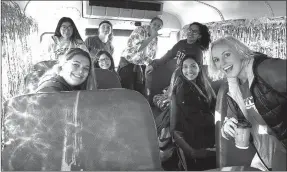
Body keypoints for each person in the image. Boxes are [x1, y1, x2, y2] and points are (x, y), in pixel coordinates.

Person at [209, 35, 287, 171]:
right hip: (264, 156)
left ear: (239, 51)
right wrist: (226, 128)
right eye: (216, 60)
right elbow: (233, 122)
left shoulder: (265, 69)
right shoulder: (233, 89)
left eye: (226, 54)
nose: (222, 63)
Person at [169, 55, 217, 170]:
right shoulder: (182, 87)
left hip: (204, 124)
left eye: (193, 66)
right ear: (181, 69)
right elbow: (193, 116)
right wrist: (217, 121)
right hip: (192, 129)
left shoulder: (201, 83)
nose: (189, 70)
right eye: (185, 67)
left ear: (199, 68)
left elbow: (213, 103)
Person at [117, 17, 163, 94]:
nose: (156, 27)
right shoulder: (140, 30)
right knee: (126, 90)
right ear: (150, 23)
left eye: (159, 26)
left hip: (140, 65)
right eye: (154, 24)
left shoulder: (155, 38)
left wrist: (152, 63)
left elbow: (152, 54)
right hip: (128, 62)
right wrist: (151, 37)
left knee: (139, 91)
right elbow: (139, 49)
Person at [146, 22, 211, 74]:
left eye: (194, 31)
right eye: (190, 30)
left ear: (199, 36)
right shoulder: (181, 43)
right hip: (177, 75)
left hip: (187, 79)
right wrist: (153, 65)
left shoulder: (197, 51)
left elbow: (196, 71)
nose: (190, 33)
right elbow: (168, 55)